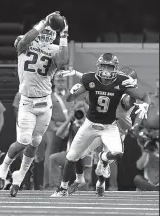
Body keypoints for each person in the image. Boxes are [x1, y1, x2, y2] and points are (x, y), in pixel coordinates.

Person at [50, 52, 150, 197]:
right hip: (92, 124)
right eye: (104, 67)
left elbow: (134, 99)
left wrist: (144, 103)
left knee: (111, 157)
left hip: (113, 128)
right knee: (74, 155)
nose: (107, 71)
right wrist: (72, 91)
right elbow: (85, 84)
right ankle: (67, 186)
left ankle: (101, 177)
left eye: (110, 67)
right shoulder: (94, 79)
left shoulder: (123, 86)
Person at [0, 11, 69, 197]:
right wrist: (44, 22)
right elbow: (22, 42)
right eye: (45, 28)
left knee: (35, 142)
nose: (46, 33)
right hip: (27, 102)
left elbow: (63, 61)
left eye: (51, 29)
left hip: (44, 103)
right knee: (23, 141)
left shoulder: (54, 49)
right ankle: (4, 168)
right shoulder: (26, 42)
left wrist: (65, 34)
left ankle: (19, 176)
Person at [65, 66, 138, 194]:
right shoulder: (113, 86)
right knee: (79, 153)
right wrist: (76, 73)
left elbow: (127, 102)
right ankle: (80, 178)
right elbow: (94, 80)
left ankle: (101, 182)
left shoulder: (127, 96)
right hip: (99, 126)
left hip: (116, 131)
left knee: (104, 164)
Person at [49, 100, 91, 190]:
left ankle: (83, 185)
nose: (79, 115)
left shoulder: (89, 124)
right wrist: (69, 119)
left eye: (81, 113)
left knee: (83, 187)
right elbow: (59, 133)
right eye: (78, 112)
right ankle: (55, 186)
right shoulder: (72, 123)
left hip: (85, 157)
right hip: (69, 155)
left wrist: (85, 118)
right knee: (54, 158)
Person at [43, 72, 72, 189]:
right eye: (58, 80)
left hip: (70, 129)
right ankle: (48, 184)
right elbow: (46, 115)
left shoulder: (71, 95)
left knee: (70, 156)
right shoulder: (49, 96)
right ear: (53, 82)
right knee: (50, 156)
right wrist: (55, 128)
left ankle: (66, 183)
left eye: (63, 81)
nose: (60, 83)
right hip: (54, 129)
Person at [131, 77, 159, 191]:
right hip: (148, 137)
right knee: (139, 175)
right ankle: (150, 184)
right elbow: (138, 121)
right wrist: (138, 130)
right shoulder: (150, 99)